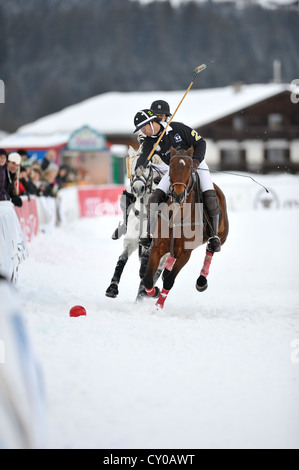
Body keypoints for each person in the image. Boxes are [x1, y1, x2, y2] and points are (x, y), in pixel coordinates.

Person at [133, 109, 221, 253]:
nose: (143, 132)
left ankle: (213, 236)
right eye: (140, 130)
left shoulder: (177, 128)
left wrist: (196, 161)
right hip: (175, 171)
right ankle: (148, 235)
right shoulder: (150, 141)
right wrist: (139, 168)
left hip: (196, 165)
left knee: (210, 197)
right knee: (155, 198)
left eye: (143, 128)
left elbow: (200, 142)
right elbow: (143, 157)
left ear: (152, 122)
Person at [111, 100, 171, 240]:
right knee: (129, 191)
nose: (160, 118)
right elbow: (144, 148)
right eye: (157, 115)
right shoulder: (146, 131)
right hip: (150, 166)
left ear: (167, 117)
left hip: (168, 167)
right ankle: (125, 223)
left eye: (162, 116)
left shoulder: (171, 130)